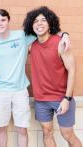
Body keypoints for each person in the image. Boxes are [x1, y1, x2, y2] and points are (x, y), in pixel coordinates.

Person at [0, 9, 71, 147]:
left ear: (8, 21)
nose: (0, 23)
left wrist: (65, 34)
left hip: (20, 90)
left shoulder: (22, 36)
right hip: (1, 91)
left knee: (22, 129)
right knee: (1, 128)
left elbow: (45, 31)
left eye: (3, 20)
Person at [23, 6, 82, 147]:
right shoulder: (31, 46)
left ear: (50, 24)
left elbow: (72, 71)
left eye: (44, 20)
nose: (39, 23)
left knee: (67, 133)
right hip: (41, 99)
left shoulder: (60, 43)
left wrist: (67, 98)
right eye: (36, 21)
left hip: (61, 98)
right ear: (32, 25)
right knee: (46, 132)